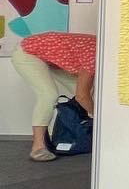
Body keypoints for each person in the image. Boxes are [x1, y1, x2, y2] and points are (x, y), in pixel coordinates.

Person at [13, 33, 96, 162]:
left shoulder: (101, 52)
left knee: (88, 91)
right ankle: (38, 147)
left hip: (50, 58)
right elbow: (81, 96)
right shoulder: (94, 56)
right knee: (48, 95)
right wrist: (101, 118)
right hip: (28, 52)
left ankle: (79, 134)